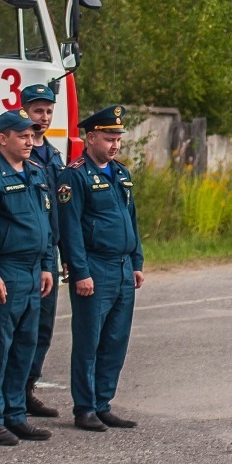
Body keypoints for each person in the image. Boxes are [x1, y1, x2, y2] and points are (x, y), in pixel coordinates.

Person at [0, 108, 57, 446]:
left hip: (34, 272)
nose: (30, 140)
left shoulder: (35, 172)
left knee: (24, 347)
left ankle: (16, 414)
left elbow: (46, 223)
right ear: (3, 138)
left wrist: (48, 264)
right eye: (22, 135)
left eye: (32, 135)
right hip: (6, 272)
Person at [59, 105, 144, 433]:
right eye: (109, 138)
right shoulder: (74, 175)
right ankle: (85, 407)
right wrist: (80, 272)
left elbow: (131, 219)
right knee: (89, 340)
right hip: (95, 267)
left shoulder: (121, 173)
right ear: (90, 137)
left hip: (122, 267)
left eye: (118, 139)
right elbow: (70, 229)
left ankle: (103, 403)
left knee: (115, 339)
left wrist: (136, 262)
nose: (115, 145)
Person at [18, 83, 65, 419]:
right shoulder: (17, 152)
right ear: (24, 112)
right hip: (23, 256)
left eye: (48, 111)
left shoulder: (53, 155)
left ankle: (28, 388)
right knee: (20, 328)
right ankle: (11, 394)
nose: (44, 117)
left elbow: (60, 209)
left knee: (43, 326)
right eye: (38, 111)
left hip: (50, 253)